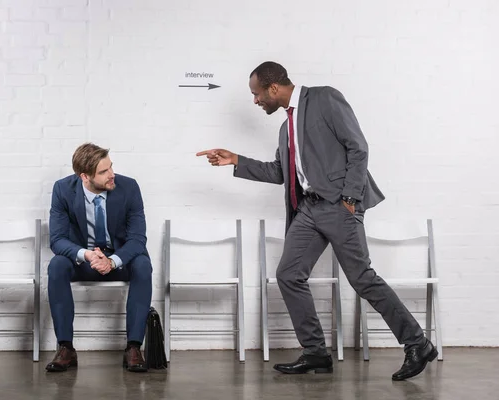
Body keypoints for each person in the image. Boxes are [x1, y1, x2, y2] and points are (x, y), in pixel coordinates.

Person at [197, 61, 437, 380]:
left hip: (339, 204)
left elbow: (358, 147)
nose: (255, 101)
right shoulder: (286, 128)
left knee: (362, 278)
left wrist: (350, 198)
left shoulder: (324, 98)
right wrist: (236, 160)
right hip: (308, 210)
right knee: (289, 274)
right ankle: (315, 353)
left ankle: (417, 343)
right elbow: (280, 173)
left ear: (273, 88)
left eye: (256, 94)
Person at [45, 143, 152, 373]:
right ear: (84, 176)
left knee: (143, 264)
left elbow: (137, 239)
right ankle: (66, 347)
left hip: (118, 261)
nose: (112, 174)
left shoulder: (129, 187)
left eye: (111, 167)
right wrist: (87, 255)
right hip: (85, 262)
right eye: (104, 172)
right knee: (57, 265)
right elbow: (58, 240)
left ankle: (134, 347)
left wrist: (112, 260)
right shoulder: (63, 190)